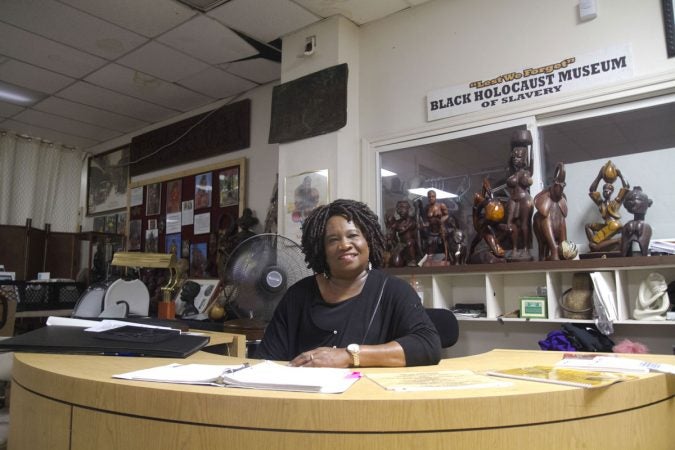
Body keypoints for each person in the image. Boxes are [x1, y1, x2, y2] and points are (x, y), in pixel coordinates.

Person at [255, 199, 441, 367]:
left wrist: (348, 356)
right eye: (333, 240)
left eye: (353, 236)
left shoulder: (394, 291)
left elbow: (427, 346)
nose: (344, 245)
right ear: (322, 250)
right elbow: (267, 360)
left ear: (369, 241)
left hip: (366, 398)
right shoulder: (298, 295)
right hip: (306, 401)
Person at [585, 160, 629, 252]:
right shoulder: (601, 203)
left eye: (609, 189)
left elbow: (626, 187)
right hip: (607, 225)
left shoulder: (616, 202)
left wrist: (620, 175)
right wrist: (599, 176)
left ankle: (595, 245)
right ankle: (597, 247)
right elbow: (592, 190)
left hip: (614, 224)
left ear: (612, 192)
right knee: (588, 226)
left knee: (593, 244)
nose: (606, 191)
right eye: (605, 189)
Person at [505, 130, 534, 260]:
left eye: (519, 157)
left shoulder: (527, 171)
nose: (516, 159)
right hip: (513, 199)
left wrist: (527, 180)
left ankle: (526, 249)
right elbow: (508, 162)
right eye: (514, 157)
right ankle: (515, 248)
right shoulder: (511, 171)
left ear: (524, 158)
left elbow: (532, 159)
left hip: (524, 199)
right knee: (510, 224)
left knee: (524, 224)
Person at [422, 190, 449, 263]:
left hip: (441, 229)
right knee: (429, 245)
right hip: (431, 231)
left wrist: (440, 221)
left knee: (444, 244)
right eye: (429, 197)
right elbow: (426, 220)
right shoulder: (426, 208)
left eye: (433, 196)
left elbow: (447, 215)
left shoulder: (441, 205)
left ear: (435, 197)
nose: (431, 198)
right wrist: (426, 224)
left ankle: (447, 258)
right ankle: (430, 261)